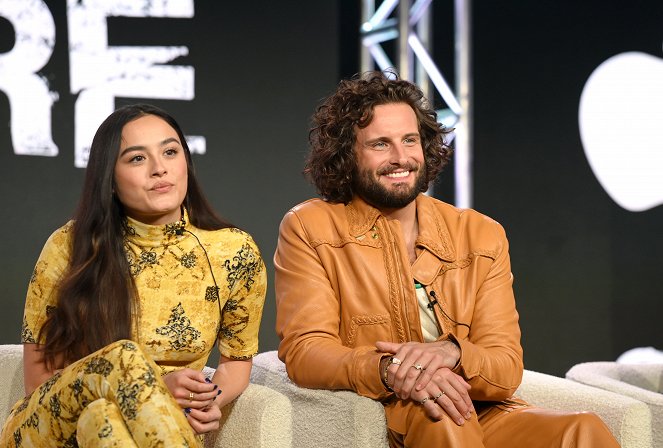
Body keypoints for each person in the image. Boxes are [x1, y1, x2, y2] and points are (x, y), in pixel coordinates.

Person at [274, 71, 619, 447]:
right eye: (380, 144)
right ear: (347, 154)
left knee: (583, 429)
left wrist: (453, 353)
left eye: (409, 140)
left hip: (479, 408)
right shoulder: (310, 227)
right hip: (395, 408)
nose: (401, 157)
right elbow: (306, 351)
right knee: (444, 419)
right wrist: (392, 370)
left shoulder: (480, 233)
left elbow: (505, 367)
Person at [0, 104, 266, 447]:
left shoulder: (234, 251)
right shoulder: (68, 246)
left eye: (170, 152)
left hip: (150, 429)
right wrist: (148, 390)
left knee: (105, 422)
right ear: (109, 179)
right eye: (137, 158)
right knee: (122, 360)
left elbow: (236, 363)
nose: (159, 169)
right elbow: (39, 382)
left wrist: (208, 400)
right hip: (49, 427)